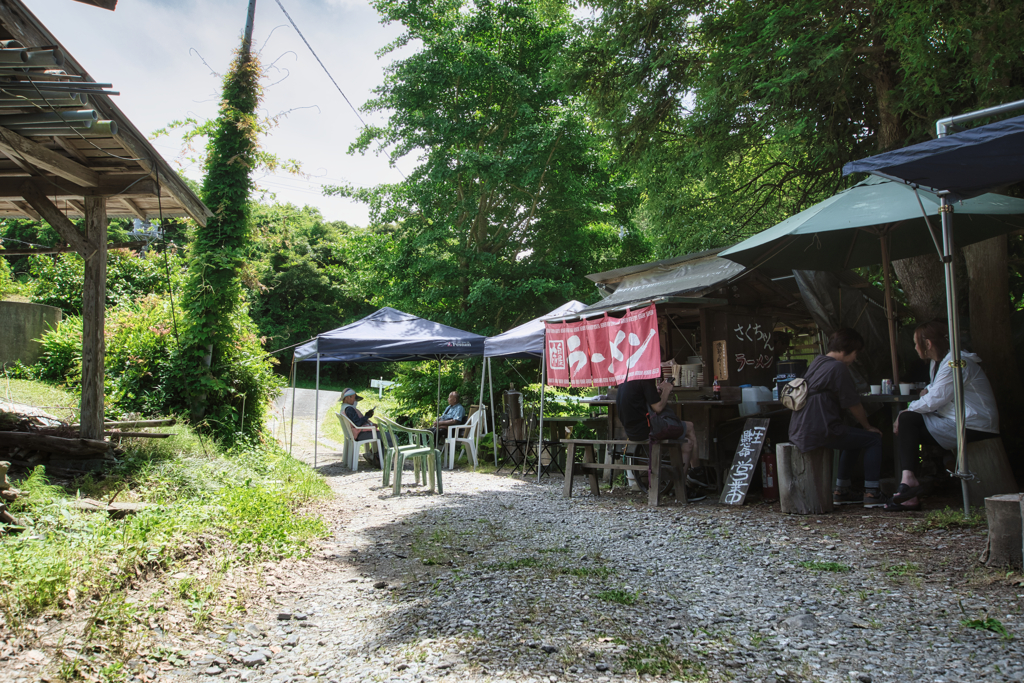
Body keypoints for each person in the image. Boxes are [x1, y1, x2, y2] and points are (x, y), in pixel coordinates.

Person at [891, 320, 999, 511]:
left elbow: (935, 399)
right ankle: (908, 482)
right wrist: (923, 396)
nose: (915, 348)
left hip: (975, 425)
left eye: (916, 343)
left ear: (928, 344)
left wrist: (906, 410)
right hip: (959, 421)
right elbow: (935, 390)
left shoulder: (956, 363)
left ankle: (908, 484)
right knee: (909, 421)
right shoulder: (939, 363)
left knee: (908, 419)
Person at [787, 328, 885, 508]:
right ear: (846, 350)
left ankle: (842, 490)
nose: (855, 358)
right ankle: (872, 493)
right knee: (873, 439)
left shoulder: (818, 361)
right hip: (821, 429)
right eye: (855, 353)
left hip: (801, 428)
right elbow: (853, 403)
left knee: (854, 438)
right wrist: (867, 426)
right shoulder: (838, 367)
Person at [615, 377, 703, 502]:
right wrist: (667, 389)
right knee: (690, 427)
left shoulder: (626, 380)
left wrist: (656, 392)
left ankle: (682, 488)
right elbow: (658, 407)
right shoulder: (645, 379)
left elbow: (640, 399)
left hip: (632, 432)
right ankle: (696, 472)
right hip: (649, 430)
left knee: (687, 444)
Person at [340, 388, 384, 468]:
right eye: (354, 398)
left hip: (356, 433)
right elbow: (358, 423)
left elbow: (356, 422)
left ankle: (373, 455)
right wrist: (367, 416)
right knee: (390, 438)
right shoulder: (349, 409)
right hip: (360, 433)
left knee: (386, 437)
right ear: (347, 397)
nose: (355, 401)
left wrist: (367, 416)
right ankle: (378, 459)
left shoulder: (344, 408)